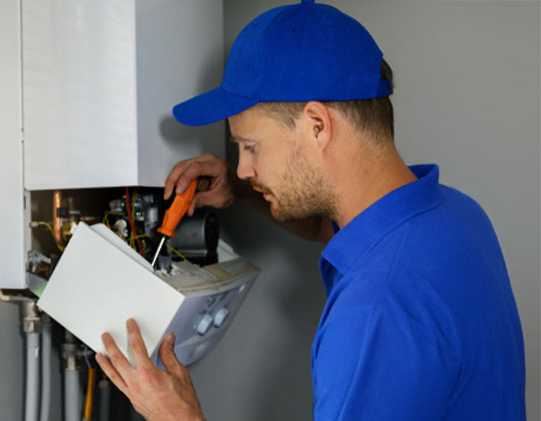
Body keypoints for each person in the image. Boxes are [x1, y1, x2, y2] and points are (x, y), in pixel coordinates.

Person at [94, 0, 527, 420]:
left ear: (317, 125)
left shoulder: (374, 311)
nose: (244, 168)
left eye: (251, 147)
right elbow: (347, 232)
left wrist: (179, 417)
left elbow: (382, 280)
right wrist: (242, 193)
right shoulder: (456, 215)